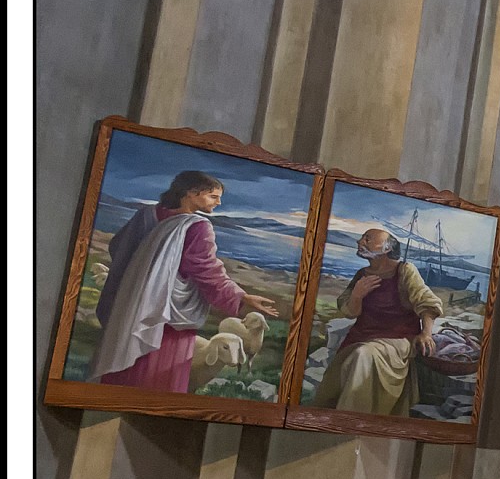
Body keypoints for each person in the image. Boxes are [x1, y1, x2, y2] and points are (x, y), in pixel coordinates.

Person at [90, 170, 281, 391]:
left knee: (124, 373)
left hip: (132, 306)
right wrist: (243, 296)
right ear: (191, 193)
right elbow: (207, 270)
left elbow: (118, 247)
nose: (219, 202)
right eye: (213, 196)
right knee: (159, 380)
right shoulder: (197, 226)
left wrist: (139, 277)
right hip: (170, 316)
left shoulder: (146, 214)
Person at [314, 227, 444, 414]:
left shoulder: (405, 270)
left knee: (364, 355)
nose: (360, 242)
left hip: (398, 339)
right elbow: (350, 312)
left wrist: (426, 333)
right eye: (361, 237)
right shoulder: (362, 274)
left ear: (385, 249)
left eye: (367, 239)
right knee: (336, 378)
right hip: (361, 336)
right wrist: (357, 295)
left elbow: (428, 303)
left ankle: (350, 418)